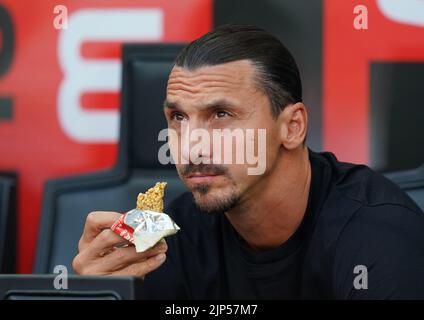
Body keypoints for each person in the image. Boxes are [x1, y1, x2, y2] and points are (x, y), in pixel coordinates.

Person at [72, 25, 424, 299]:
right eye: (178, 117)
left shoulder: (379, 239)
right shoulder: (170, 241)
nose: (191, 145)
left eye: (221, 114)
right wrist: (102, 296)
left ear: (292, 126)